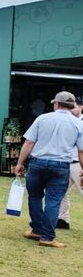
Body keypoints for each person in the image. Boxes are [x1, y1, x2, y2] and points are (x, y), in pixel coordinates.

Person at [16, 91, 83, 248]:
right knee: (53, 201)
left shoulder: (42, 118)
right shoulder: (78, 124)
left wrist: (20, 163)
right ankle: (47, 237)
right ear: (72, 106)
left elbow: (28, 143)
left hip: (37, 163)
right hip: (61, 166)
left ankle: (37, 230)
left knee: (34, 197)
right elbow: (81, 152)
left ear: (56, 104)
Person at [57, 97, 83, 229]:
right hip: (66, 162)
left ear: (81, 107)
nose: (71, 110)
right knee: (60, 191)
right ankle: (62, 219)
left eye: (74, 107)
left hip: (79, 163)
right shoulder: (67, 122)